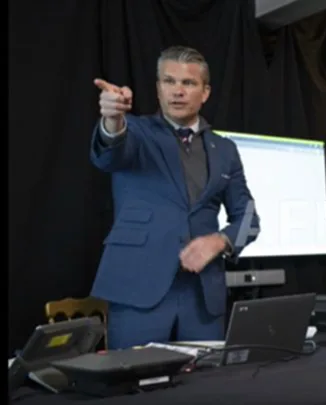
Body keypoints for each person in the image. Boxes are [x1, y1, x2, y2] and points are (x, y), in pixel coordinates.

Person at [89, 46, 260, 349]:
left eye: (188, 83)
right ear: (158, 89)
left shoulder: (226, 150)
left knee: (205, 379)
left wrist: (220, 241)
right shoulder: (135, 131)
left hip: (203, 299)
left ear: (205, 92)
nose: (177, 91)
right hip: (138, 291)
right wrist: (112, 120)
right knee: (136, 377)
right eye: (169, 81)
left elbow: (249, 219)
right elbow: (109, 154)